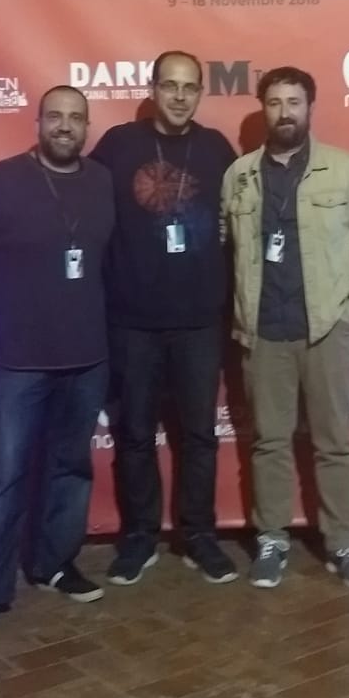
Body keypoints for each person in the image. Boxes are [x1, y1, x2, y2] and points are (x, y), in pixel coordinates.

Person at [0, 85, 116, 644]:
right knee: (2, 477)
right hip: (15, 359)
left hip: (87, 357)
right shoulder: (1, 180)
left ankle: (54, 563)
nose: (65, 126)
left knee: (70, 469)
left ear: (86, 127)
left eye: (76, 118)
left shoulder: (102, 181)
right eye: (55, 117)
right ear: (38, 123)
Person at [220, 66, 349, 591]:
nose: (284, 112)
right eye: (274, 103)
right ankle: (271, 540)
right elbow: (225, 242)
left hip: (326, 331)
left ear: (309, 108)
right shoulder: (240, 175)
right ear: (263, 109)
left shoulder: (344, 169)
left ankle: (343, 543)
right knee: (268, 443)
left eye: (294, 102)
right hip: (263, 332)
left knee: (333, 443)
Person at [91, 51, 239, 585]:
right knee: (134, 434)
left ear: (200, 93)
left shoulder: (217, 148)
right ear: (152, 89)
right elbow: (83, 212)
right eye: (170, 85)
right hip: (131, 319)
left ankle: (198, 535)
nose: (179, 96)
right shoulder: (118, 145)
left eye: (189, 87)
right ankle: (139, 536)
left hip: (199, 319)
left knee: (199, 434)